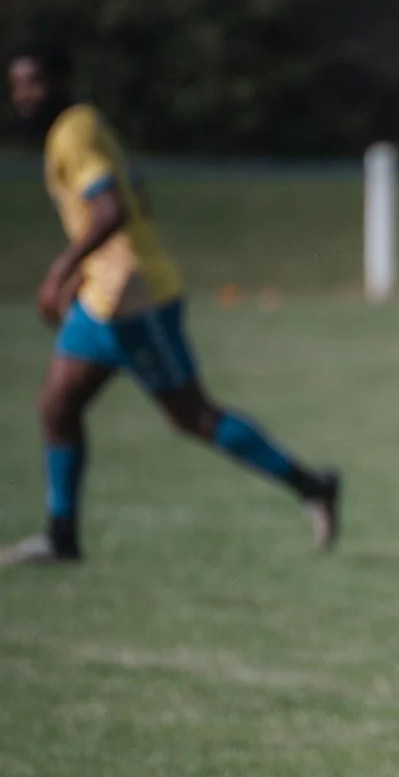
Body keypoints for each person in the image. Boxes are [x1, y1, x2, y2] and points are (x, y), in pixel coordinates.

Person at [2, 42, 340, 567]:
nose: (24, 96)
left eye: (35, 83)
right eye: (17, 86)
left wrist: (59, 270)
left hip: (134, 297)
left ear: (64, 81)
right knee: (56, 406)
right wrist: (83, 274)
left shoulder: (73, 131)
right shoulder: (81, 127)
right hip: (100, 296)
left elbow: (111, 210)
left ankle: (312, 486)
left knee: (193, 416)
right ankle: (60, 536)